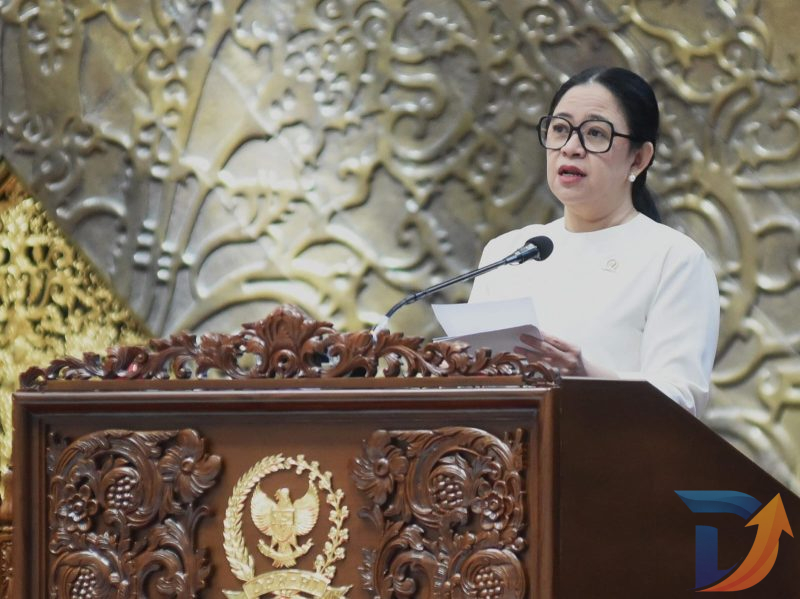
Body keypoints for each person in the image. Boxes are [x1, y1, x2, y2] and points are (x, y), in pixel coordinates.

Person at [469, 66, 720, 416]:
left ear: (639, 158)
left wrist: (586, 374)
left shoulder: (674, 258)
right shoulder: (507, 252)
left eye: (595, 133)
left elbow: (681, 400)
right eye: (560, 129)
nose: (571, 148)